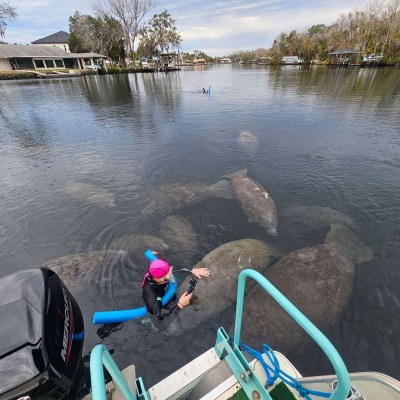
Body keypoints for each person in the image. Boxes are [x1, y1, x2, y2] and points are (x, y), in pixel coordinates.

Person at [141, 252, 210, 320]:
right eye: (168, 277)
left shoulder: (160, 272)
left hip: (161, 290)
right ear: (156, 279)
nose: (171, 277)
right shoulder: (151, 296)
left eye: (170, 272)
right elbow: (161, 321)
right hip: (157, 303)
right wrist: (180, 305)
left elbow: (174, 267)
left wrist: (192, 270)